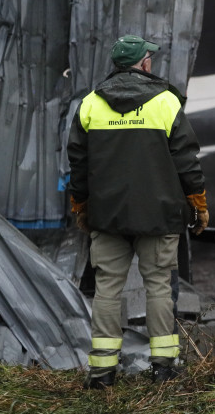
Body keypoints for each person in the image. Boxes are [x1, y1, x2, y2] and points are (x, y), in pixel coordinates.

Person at [67, 34, 207, 389]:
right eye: (150, 58)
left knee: (107, 290)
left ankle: (101, 373)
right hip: (158, 215)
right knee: (159, 286)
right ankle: (164, 368)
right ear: (144, 63)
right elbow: (186, 160)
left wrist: (81, 205)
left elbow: (78, 164)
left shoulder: (90, 104)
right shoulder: (165, 102)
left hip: (108, 215)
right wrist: (198, 201)